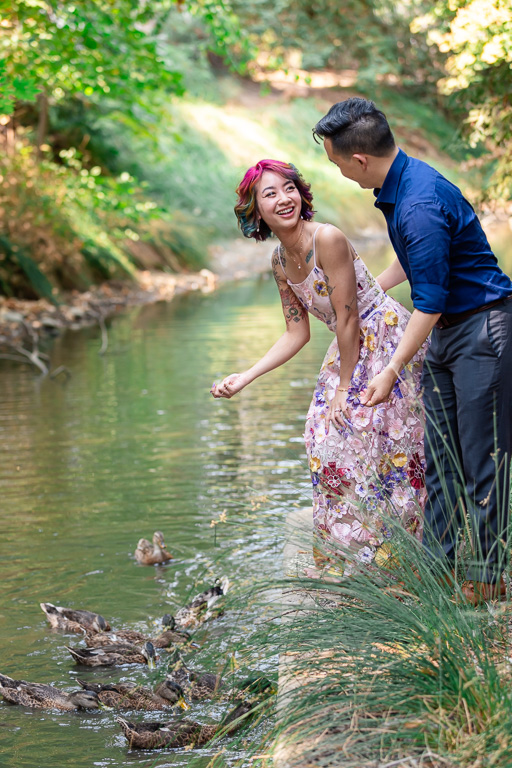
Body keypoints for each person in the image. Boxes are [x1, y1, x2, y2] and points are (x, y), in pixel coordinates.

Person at [313, 98, 512, 602]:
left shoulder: (418, 202)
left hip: (481, 332)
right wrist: (367, 296)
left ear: (359, 159)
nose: (337, 170)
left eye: (336, 161)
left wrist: (391, 368)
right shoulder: (400, 187)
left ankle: (488, 581)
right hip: (450, 332)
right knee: (441, 458)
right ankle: (439, 572)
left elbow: (429, 300)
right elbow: (416, 263)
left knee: (483, 458)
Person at [211, 159, 428, 575]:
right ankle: (349, 551)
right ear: (255, 210)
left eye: (288, 188)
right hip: (348, 346)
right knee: (320, 434)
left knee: (382, 440)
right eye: (269, 194)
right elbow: (297, 334)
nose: (283, 198)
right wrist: (246, 376)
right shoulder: (279, 261)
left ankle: (401, 556)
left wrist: (345, 388)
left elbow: (348, 318)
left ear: (301, 194)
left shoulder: (326, 237)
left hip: (381, 338)